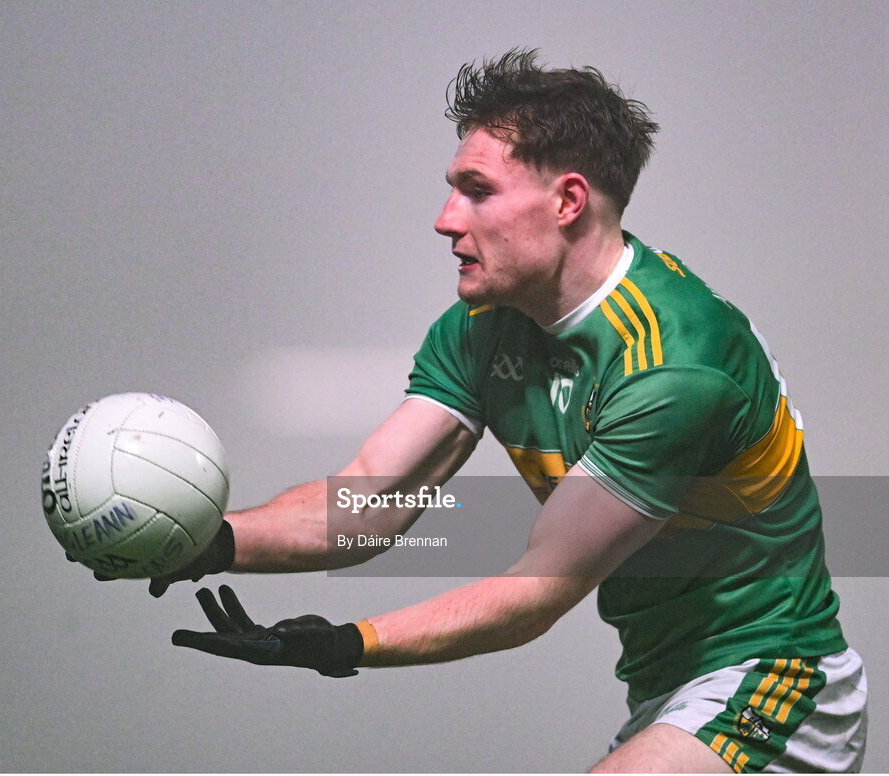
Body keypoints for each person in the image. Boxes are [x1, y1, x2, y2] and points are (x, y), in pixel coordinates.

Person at [134, 51, 869, 772]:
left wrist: (347, 643)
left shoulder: (673, 368)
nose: (444, 218)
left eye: (476, 190)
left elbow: (535, 593)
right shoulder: (484, 327)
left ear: (567, 202)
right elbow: (370, 500)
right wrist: (208, 541)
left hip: (777, 680)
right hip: (668, 695)